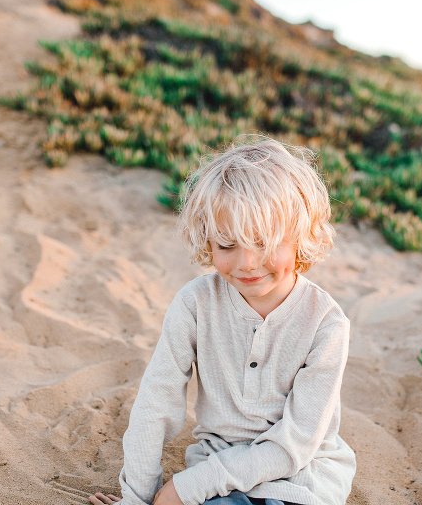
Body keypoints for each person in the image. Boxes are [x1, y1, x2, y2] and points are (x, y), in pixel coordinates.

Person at [90, 138, 356, 505]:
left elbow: (295, 444)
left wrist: (185, 488)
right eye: (227, 245)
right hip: (219, 477)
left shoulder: (327, 324)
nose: (247, 262)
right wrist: (137, 497)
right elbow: (157, 400)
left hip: (301, 478)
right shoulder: (196, 303)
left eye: (263, 242)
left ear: (300, 236)